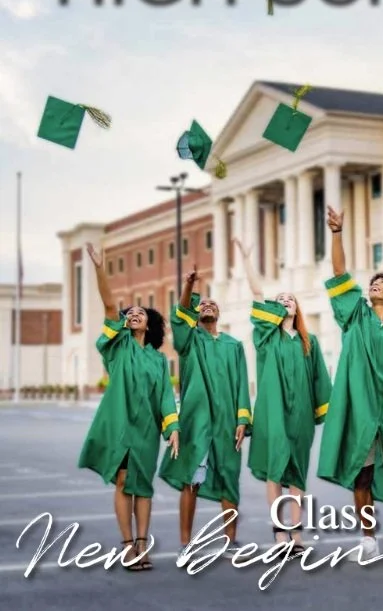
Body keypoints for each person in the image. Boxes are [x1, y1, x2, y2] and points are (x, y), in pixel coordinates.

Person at [318, 205, 383, 562]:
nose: (373, 285)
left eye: (381, 283)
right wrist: (336, 232)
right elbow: (339, 271)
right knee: (361, 475)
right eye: (372, 283)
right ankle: (367, 537)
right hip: (362, 411)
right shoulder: (355, 317)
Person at [78, 243, 180, 571]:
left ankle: (142, 543)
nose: (134, 313)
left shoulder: (158, 359)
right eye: (129, 313)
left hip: (147, 430)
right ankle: (127, 545)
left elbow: (165, 396)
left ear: (149, 323)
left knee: (143, 485)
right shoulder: (118, 347)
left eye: (140, 312)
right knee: (123, 481)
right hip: (121, 425)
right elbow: (110, 305)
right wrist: (98, 267)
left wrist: (173, 428)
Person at [234, 238, 332, 556]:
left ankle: (296, 534)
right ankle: (280, 533)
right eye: (281, 299)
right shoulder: (266, 337)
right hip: (273, 412)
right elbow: (258, 294)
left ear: (297, 307)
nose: (285, 301)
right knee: (276, 467)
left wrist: (324, 415)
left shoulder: (309, 342)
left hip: (301, 414)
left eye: (290, 298)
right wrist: (249, 262)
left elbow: (320, 379)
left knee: (297, 472)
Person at [159, 267, 252, 558]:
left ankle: (231, 540)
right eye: (202, 305)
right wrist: (189, 285)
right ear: (195, 315)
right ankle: (186, 542)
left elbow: (241, 385)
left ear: (220, 314)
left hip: (226, 423)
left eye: (213, 304)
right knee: (192, 479)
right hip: (197, 421)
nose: (207, 306)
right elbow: (180, 315)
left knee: (229, 478)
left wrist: (242, 419)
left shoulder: (233, 346)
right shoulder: (189, 343)